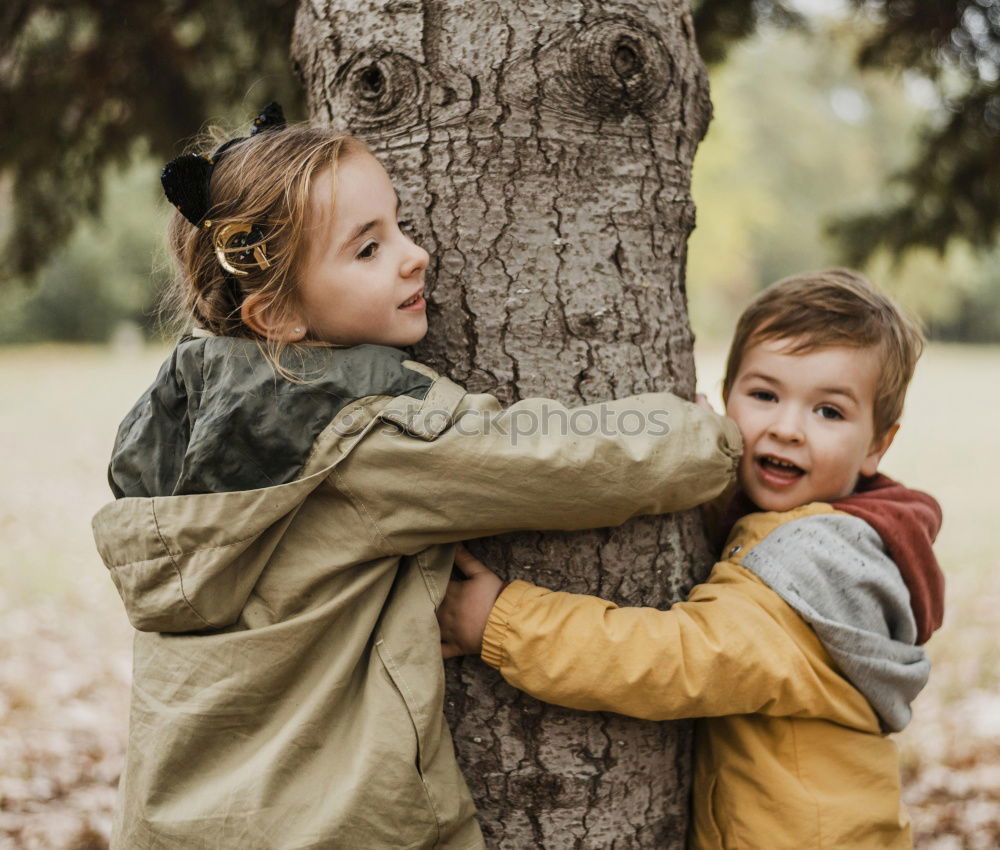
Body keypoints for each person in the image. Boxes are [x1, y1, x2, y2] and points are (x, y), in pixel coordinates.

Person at [90, 103, 742, 849]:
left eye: (398, 225)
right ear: (278, 315)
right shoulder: (362, 427)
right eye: (367, 250)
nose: (414, 254)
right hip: (329, 829)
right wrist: (706, 436)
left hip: (173, 821)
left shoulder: (180, 417)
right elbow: (551, 459)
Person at [438, 270, 945, 850]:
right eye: (763, 395)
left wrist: (502, 621)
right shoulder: (837, 537)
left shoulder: (809, 578)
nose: (786, 428)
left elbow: (676, 659)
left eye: (828, 412)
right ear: (727, 391)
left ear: (879, 444)